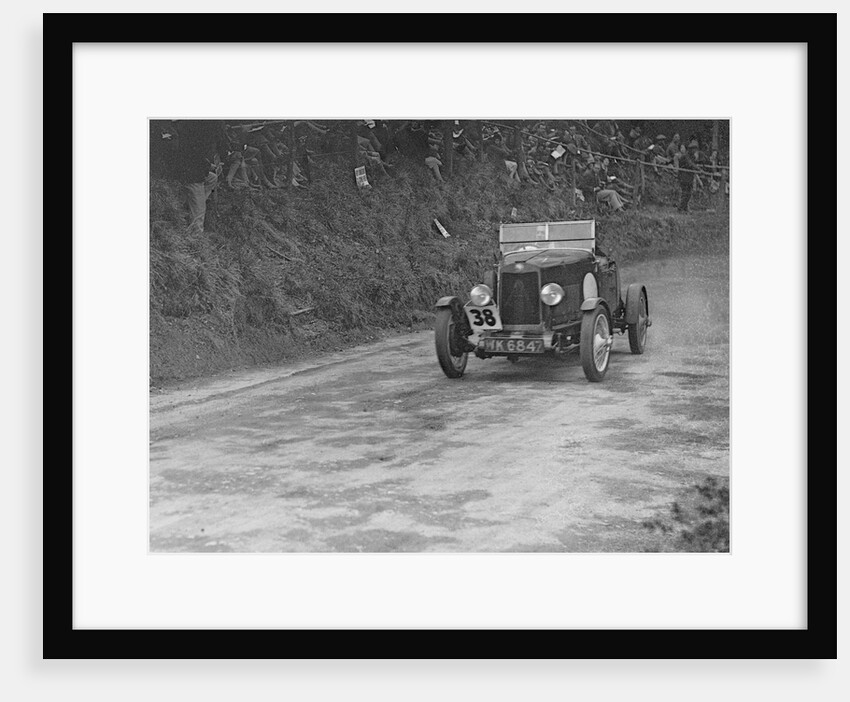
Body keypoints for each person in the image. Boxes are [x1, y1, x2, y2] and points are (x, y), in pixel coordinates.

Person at [175, 120, 227, 234]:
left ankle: (195, 203)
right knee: (200, 212)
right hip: (192, 178)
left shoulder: (193, 140)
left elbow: (198, 159)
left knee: (212, 178)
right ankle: (196, 237)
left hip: (195, 173)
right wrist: (209, 166)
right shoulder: (197, 142)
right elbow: (196, 160)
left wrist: (209, 166)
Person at [676, 140, 699, 212]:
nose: (695, 151)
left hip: (689, 177)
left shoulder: (692, 156)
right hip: (684, 176)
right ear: (691, 149)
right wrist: (698, 169)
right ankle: (680, 208)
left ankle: (685, 208)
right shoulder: (686, 156)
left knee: (689, 194)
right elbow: (690, 164)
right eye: (694, 149)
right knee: (685, 193)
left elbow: (694, 163)